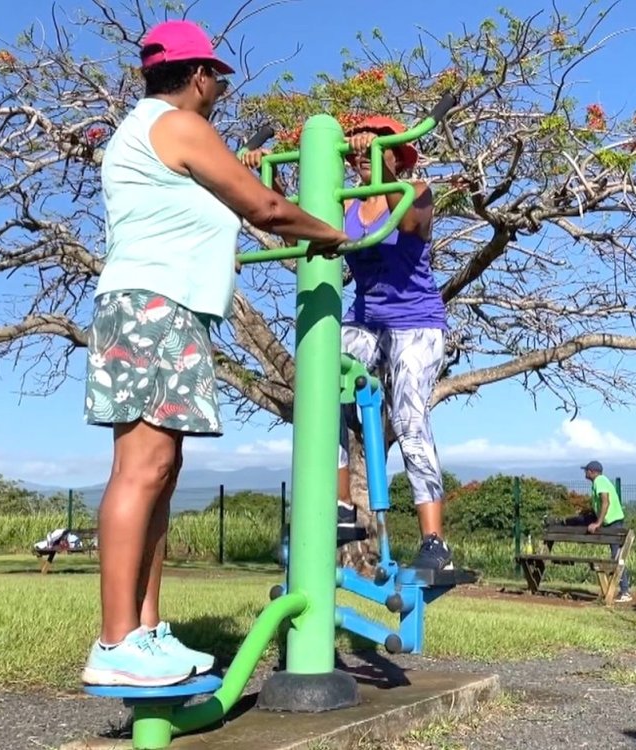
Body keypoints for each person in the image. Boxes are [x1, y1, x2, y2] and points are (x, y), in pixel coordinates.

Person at [82, 19, 348, 688]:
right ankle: (115, 641)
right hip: (154, 306)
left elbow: (218, 198)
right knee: (142, 468)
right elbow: (265, 208)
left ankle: (144, 632)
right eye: (218, 80)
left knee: (161, 469)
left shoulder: (149, 131)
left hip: (162, 307)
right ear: (198, 75)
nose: (220, 91)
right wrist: (328, 234)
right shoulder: (177, 124)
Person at [241, 113, 451, 572]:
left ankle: (434, 540)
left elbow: (411, 220)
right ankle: (340, 508)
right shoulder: (346, 205)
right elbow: (294, 224)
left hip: (416, 321)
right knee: (322, 391)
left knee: (410, 416)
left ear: (396, 156)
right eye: (360, 148)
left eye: (375, 147)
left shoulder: (414, 192)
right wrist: (265, 175)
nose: (362, 154)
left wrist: (378, 169)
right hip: (365, 316)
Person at [581, 461, 632, 603]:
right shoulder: (600, 481)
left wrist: (597, 523)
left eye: (586, 470)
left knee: (616, 556)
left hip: (613, 523)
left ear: (592, 471)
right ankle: (624, 589)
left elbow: (605, 502)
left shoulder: (600, 481)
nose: (585, 473)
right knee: (616, 555)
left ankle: (625, 591)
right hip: (611, 522)